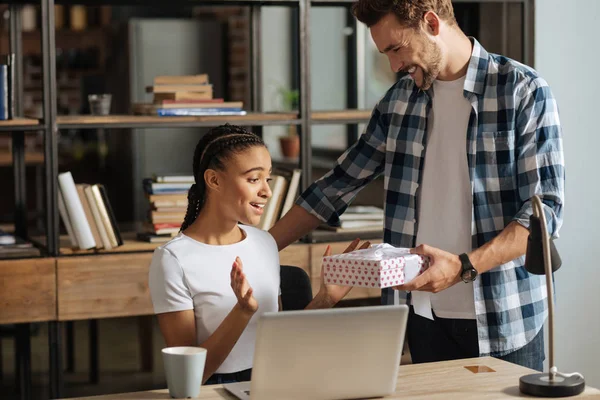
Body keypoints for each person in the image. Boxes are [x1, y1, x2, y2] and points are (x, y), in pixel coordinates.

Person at [269, 0, 564, 371]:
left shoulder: (522, 91)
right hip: (422, 318)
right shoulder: (398, 102)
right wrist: (259, 249)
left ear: (431, 23)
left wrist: (462, 267)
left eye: (396, 48)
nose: (393, 66)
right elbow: (337, 184)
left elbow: (543, 213)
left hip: (506, 317)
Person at [148, 124, 368, 385]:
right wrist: (242, 312)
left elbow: (280, 346)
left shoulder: (264, 243)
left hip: (273, 382)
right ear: (214, 180)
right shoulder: (173, 260)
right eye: (254, 179)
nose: (267, 191)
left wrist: (326, 299)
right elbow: (187, 380)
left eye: (268, 179)